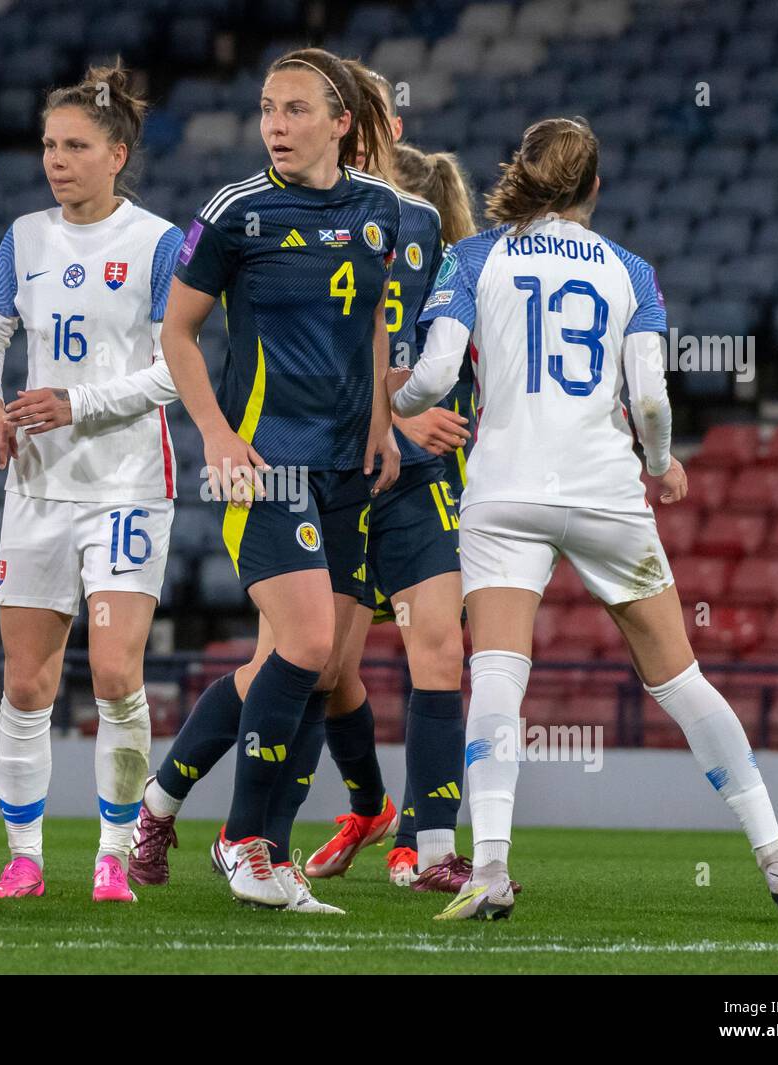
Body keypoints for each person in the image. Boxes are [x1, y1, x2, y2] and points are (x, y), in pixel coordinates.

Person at [390, 116, 778, 922]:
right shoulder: (631, 271)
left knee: (496, 675)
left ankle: (488, 866)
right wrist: (660, 465)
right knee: (681, 678)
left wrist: (396, 397)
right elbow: (651, 399)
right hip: (604, 494)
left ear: (521, 172)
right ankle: (776, 856)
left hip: (504, 490)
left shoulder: (473, 255)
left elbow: (439, 373)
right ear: (596, 187)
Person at [143, 47, 401, 911]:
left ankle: (165, 799)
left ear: (341, 123)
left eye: (294, 111)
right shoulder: (235, 212)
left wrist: (380, 425)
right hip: (262, 463)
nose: (276, 127)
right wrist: (215, 434)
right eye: (266, 110)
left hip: (344, 467)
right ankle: (248, 845)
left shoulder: (382, 214)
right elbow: (177, 334)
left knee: (308, 665)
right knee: (304, 645)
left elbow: (367, 324)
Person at [0, 65, 183, 903]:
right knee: (26, 684)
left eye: (76, 147)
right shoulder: (23, 237)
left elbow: (174, 370)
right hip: (37, 486)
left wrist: (75, 401)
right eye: (50, 145)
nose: (57, 160)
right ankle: (23, 856)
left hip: (128, 483)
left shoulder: (160, 243)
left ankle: (112, 853)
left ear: (116, 154)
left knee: (118, 676)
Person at [306, 139, 483, 893]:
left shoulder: (453, 281)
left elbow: (453, 387)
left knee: (436, 653)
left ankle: (423, 839)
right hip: (347, 482)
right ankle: (370, 805)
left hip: (424, 488)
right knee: (327, 667)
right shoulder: (348, 269)